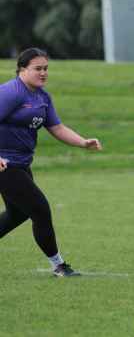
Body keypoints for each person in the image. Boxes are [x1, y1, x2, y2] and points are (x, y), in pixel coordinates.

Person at [0, 48, 102, 277]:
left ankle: (58, 265)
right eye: (38, 68)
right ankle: (59, 265)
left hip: (21, 164)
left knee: (17, 213)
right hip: (5, 164)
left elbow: (56, 127)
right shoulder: (10, 92)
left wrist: (82, 142)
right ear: (22, 70)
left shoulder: (43, 97)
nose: (43, 73)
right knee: (40, 209)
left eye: (46, 68)